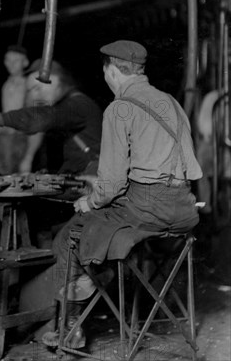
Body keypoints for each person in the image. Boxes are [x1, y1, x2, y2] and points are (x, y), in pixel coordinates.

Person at [42, 40, 203, 349]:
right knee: (102, 228)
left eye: (106, 73)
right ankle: (94, 281)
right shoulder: (170, 101)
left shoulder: (120, 108)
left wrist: (89, 200)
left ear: (112, 71)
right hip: (184, 209)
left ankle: (71, 327)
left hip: (148, 211)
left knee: (68, 235)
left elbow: (112, 185)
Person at [0, 59, 102, 177]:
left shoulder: (77, 105)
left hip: (90, 183)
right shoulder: (67, 104)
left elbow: (39, 118)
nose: (36, 96)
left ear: (56, 80)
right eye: (31, 91)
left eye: (37, 88)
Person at [0, 45, 44, 174]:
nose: (11, 64)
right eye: (8, 60)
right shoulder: (6, 84)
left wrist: (29, 157)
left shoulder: (29, 85)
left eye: (16, 60)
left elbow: (39, 124)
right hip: (4, 140)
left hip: (21, 140)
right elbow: (4, 114)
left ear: (25, 62)